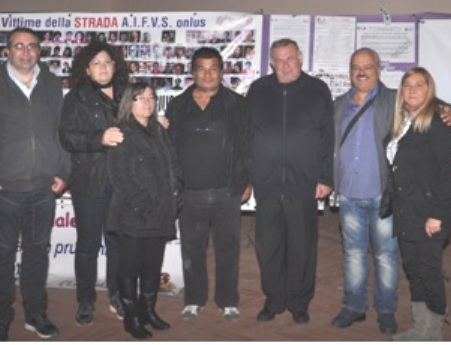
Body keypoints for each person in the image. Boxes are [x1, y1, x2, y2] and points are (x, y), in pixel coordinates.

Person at [330, 47, 451, 334]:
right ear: (350, 72)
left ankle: (387, 311)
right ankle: (354, 306)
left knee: (388, 257)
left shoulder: (392, 101)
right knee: (354, 254)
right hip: (350, 194)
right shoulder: (338, 104)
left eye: (367, 66)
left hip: (384, 197)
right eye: (355, 66)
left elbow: (436, 110)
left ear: (378, 69)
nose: (361, 71)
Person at [0, 27, 70, 341]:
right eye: (18, 45)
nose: (25, 51)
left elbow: (63, 134)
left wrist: (64, 171)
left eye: (32, 46)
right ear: (7, 50)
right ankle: (1, 316)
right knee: (2, 257)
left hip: (44, 189)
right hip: (4, 192)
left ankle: (35, 314)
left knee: (37, 254)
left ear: (39, 51)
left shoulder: (50, 84)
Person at [246, 38, 334, 324]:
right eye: (279, 60)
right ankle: (274, 299)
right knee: (269, 247)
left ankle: (298, 301)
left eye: (290, 59)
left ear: (300, 58)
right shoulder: (258, 90)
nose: (285, 65)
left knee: (302, 247)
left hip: (304, 184)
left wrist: (325, 176)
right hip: (267, 184)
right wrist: (248, 177)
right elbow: (247, 137)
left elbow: (327, 138)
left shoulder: (318, 90)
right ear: (271, 63)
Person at [165, 47, 251, 321]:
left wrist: (246, 180)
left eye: (213, 67)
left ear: (222, 71)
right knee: (192, 249)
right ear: (193, 72)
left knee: (228, 249)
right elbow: (169, 147)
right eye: (201, 68)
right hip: (190, 192)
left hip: (226, 191)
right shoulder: (178, 105)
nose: (208, 73)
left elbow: (247, 145)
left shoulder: (237, 104)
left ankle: (228, 300)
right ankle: (194, 299)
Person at [59, 41, 129, 327]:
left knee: (118, 244)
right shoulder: (75, 98)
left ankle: (117, 295)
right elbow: (67, 137)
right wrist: (99, 138)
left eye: (108, 61)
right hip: (90, 182)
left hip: (124, 182)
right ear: (86, 69)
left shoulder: (128, 94)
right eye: (96, 62)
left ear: (116, 65)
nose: (103, 67)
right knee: (88, 245)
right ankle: (85, 300)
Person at [386, 67, 451, 341]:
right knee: (414, 271)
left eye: (420, 85)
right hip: (405, 212)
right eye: (408, 85)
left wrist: (437, 215)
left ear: (430, 91)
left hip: (429, 214)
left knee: (429, 272)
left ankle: (434, 332)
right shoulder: (401, 122)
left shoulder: (438, 121)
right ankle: (419, 328)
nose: (413, 90)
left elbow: (448, 171)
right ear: (401, 92)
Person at [107, 82, 181, 339]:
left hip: (161, 212)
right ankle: (131, 317)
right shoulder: (122, 132)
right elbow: (120, 178)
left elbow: (173, 163)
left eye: (151, 97)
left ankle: (148, 310)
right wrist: (146, 204)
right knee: (129, 269)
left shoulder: (159, 130)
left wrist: (175, 189)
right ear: (129, 102)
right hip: (133, 214)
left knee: (152, 267)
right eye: (140, 98)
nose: (147, 102)